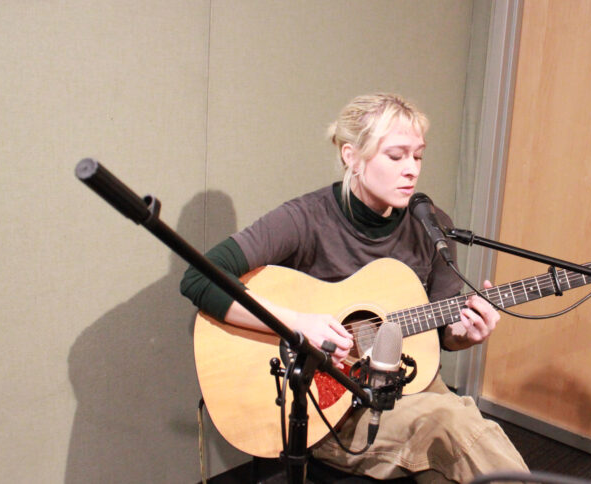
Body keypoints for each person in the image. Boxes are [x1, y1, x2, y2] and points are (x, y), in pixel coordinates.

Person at [180, 93, 528, 482]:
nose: (411, 170)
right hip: (335, 409)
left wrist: (463, 335)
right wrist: (297, 324)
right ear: (352, 157)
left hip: (415, 388)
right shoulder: (305, 219)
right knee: (455, 425)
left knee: (457, 440)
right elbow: (199, 277)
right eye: (396, 156)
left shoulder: (432, 225)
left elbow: (443, 330)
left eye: (418, 156)